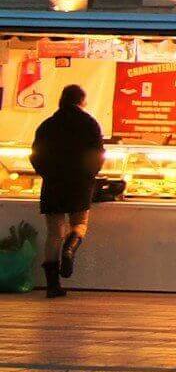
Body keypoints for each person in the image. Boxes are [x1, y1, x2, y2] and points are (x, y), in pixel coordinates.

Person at [31, 84, 105, 299]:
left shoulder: (47, 125)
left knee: (54, 233)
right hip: (80, 183)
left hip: (53, 183)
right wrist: (90, 174)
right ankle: (70, 249)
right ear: (82, 101)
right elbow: (99, 154)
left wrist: (46, 174)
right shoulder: (89, 124)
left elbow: (35, 154)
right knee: (80, 224)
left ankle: (53, 286)